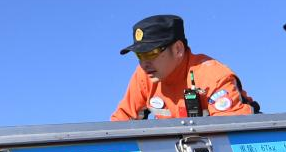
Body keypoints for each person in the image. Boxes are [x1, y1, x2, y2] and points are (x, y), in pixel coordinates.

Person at [111, 14, 260, 120]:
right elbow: (121, 122)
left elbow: (232, 136)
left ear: (178, 49)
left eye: (150, 53)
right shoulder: (144, 76)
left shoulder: (214, 76)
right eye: (139, 55)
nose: (144, 64)